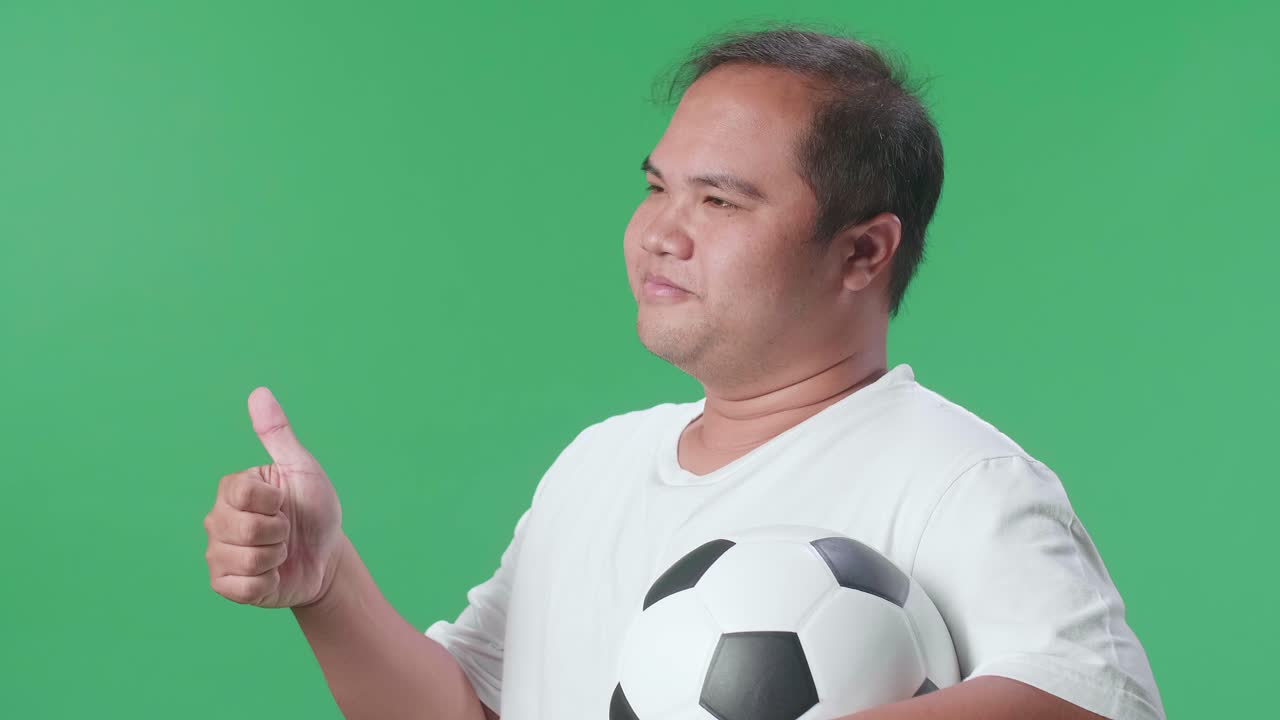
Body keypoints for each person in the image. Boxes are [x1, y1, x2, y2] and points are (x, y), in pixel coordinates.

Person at [202, 25, 1165, 720]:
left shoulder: (959, 479)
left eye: (720, 200)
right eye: (658, 187)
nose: (661, 232)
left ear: (864, 253)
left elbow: (1087, 695)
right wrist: (327, 588)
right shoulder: (599, 465)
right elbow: (466, 711)